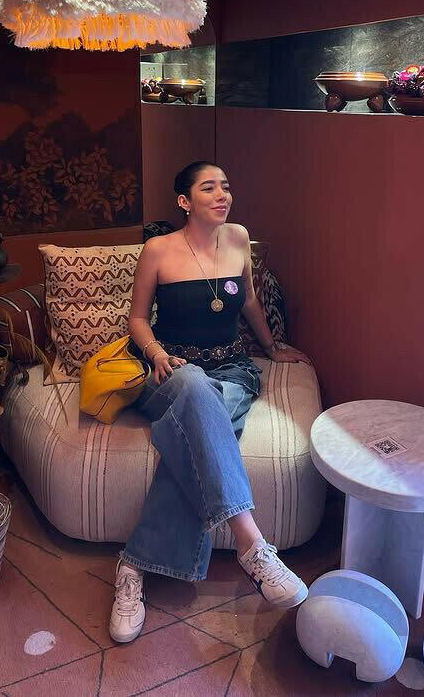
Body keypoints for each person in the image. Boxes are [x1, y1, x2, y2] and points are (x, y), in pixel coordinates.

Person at [109, 161, 312, 643]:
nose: (222, 194)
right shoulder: (158, 250)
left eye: (225, 186)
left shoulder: (238, 238)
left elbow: (249, 302)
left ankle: (132, 567)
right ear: (184, 201)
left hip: (233, 371)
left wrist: (271, 347)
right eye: (208, 188)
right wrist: (156, 353)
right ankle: (252, 545)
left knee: (203, 414)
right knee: (196, 388)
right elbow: (137, 319)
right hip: (172, 373)